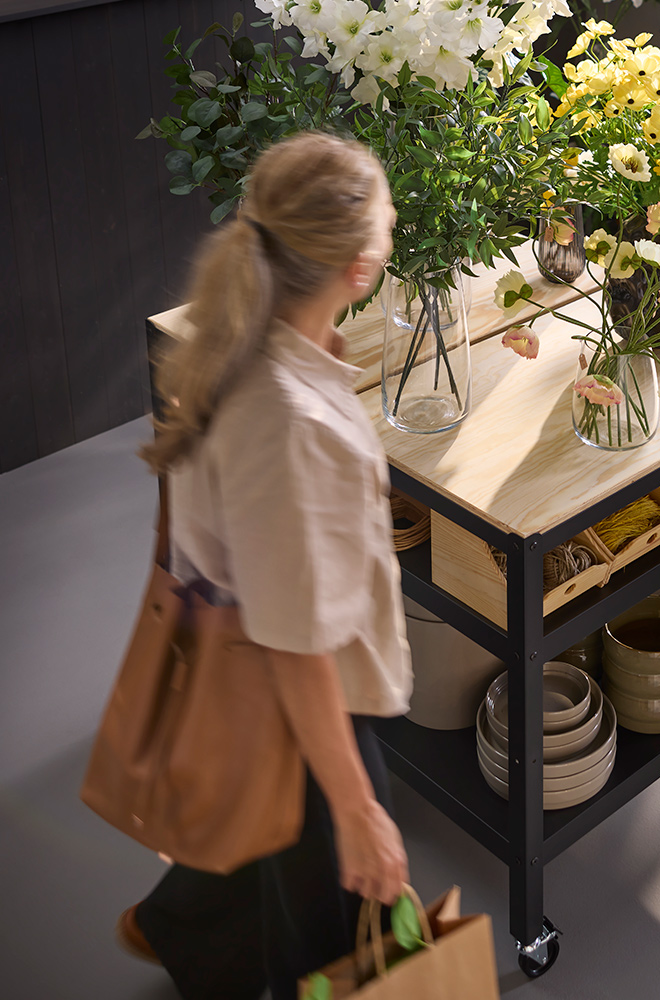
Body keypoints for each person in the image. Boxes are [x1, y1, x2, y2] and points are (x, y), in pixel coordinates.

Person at [117, 132, 413, 1000]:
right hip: (300, 714)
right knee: (331, 942)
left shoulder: (242, 339)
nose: (394, 224)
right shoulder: (290, 424)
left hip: (233, 684)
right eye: (388, 219)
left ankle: (175, 922)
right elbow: (295, 640)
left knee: (258, 843)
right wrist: (356, 811)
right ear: (360, 269)